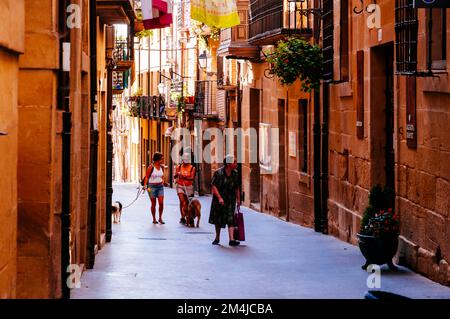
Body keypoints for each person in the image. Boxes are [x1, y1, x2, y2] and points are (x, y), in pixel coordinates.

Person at [208, 154, 241, 246]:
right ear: (228, 164)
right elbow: (214, 186)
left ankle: (232, 239)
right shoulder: (218, 173)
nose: (236, 163)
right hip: (219, 199)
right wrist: (219, 198)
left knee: (231, 218)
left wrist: (238, 200)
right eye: (234, 161)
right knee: (218, 218)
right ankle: (217, 237)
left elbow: (237, 187)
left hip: (230, 199)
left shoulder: (235, 173)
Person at [143, 152, 166, 224]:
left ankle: (160, 218)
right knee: (153, 203)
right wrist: (145, 186)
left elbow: (162, 175)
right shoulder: (151, 167)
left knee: (161, 203)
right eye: (161, 159)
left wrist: (162, 181)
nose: (162, 160)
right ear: (157, 159)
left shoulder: (161, 167)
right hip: (151, 187)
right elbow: (146, 177)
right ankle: (154, 218)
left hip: (160, 187)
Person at [174, 152, 196, 225]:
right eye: (184, 160)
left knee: (188, 202)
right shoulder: (178, 167)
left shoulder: (192, 168)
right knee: (182, 201)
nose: (185, 161)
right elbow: (175, 176)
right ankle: (183, 217)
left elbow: (192, 178)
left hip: (189, 186)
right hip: (180, 185)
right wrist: (177, 174)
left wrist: (183, 176)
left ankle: (189, 216)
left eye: (187, 160)